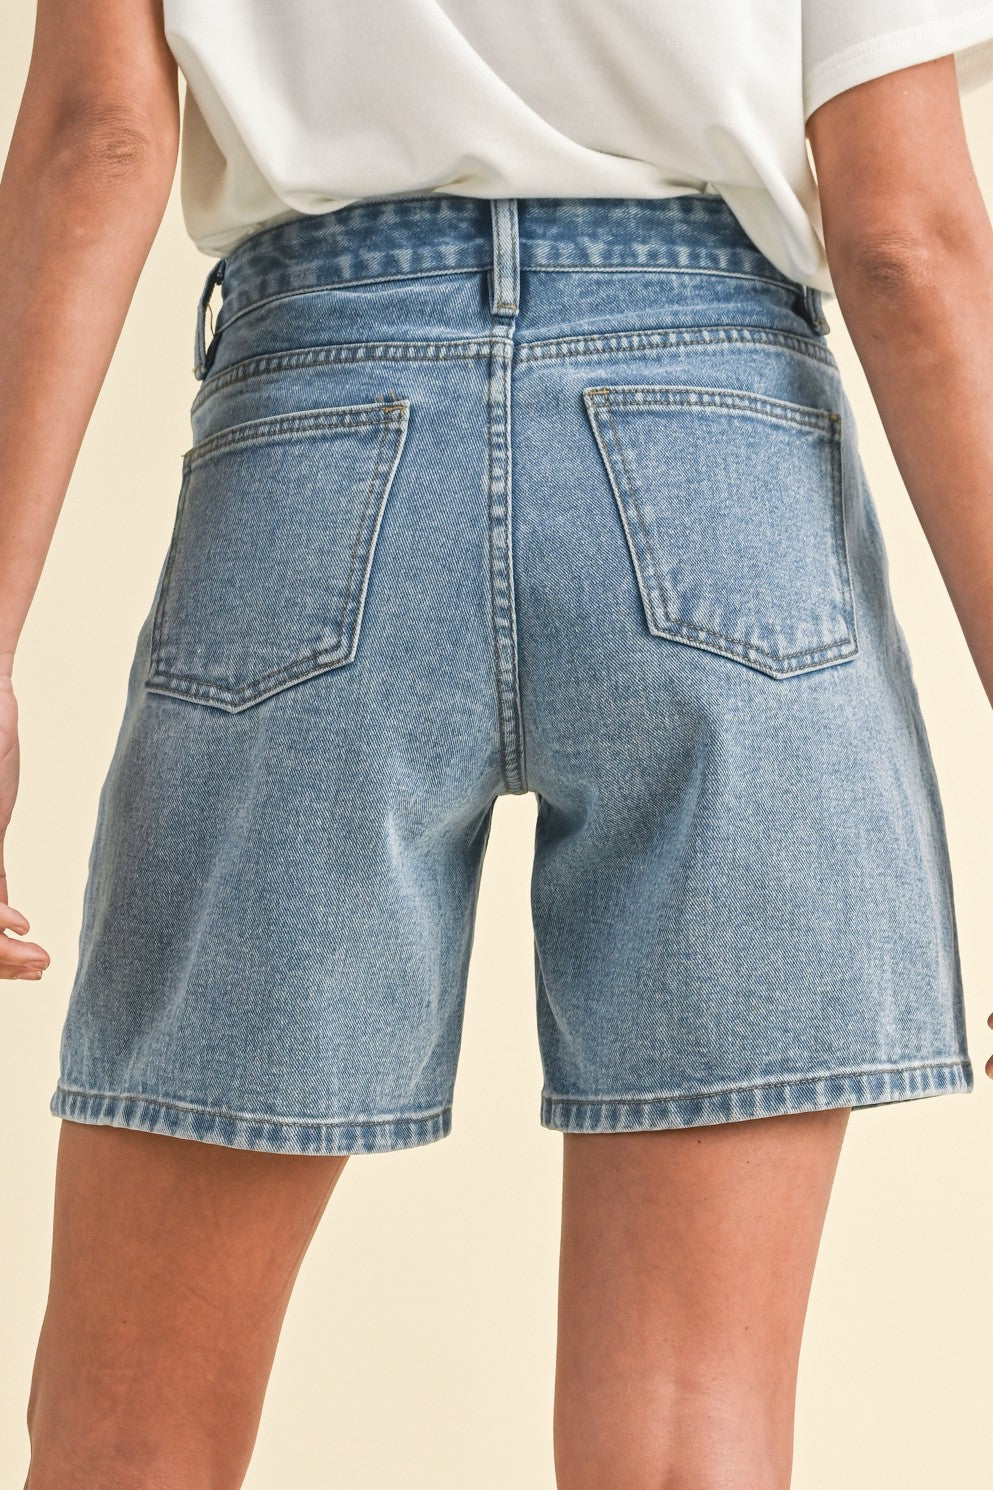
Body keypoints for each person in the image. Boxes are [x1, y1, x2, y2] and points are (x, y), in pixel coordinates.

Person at [4, 2, 993, 1487]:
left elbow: (99, 137)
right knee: (691, 1431)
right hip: (720, 456)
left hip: (322, 433)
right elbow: (905, 239)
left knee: (130, 1431)